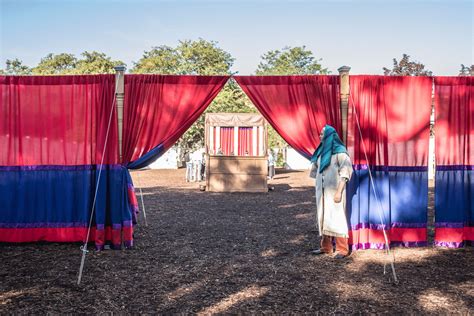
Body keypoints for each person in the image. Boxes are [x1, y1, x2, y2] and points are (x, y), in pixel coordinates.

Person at [310, 125, 353, 259]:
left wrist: (339, 192)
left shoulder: (340, 152)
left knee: (337, 217)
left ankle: (342, 249)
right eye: (320, 134)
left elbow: (345, 172)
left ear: (330, 136)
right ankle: (326, 247)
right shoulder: (321, 152)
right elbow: (316, 170)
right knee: (323, 216)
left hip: (335, 190)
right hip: (322, 191)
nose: (320, 136)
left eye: (323, 134)